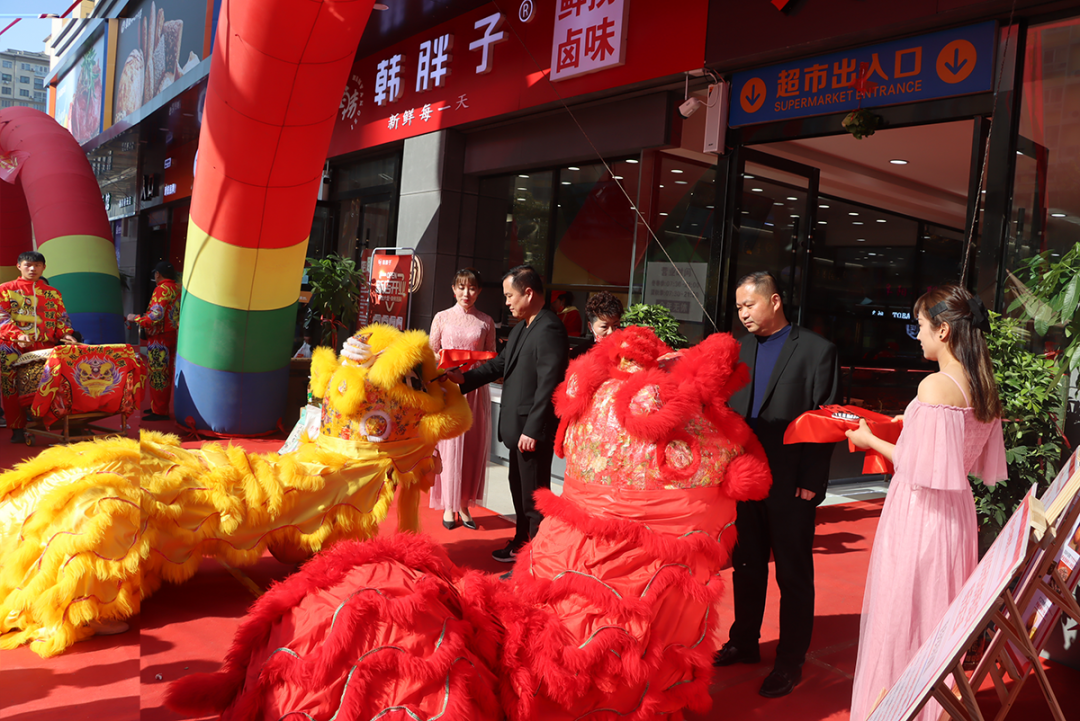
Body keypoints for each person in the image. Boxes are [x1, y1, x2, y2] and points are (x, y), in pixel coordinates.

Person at [846, 285, 1006, 721]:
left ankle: (893, 709)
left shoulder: (936, 384)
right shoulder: (981, 384)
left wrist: (869, 440)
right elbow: (959, 455)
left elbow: (916, 465)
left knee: (901, 616)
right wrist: (912, 423)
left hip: (920, 515)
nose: (916, 335)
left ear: (943, 330)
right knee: (938, 619)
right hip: (956, 515)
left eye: (920, 326)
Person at [713, 271, 840, 698]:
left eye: (748, 305)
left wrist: (812, 481)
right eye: (738, 307)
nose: (742, 314)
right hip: (744, 479)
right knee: (746, 567)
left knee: (793, 574)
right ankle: (744, 641)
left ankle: (789, 661)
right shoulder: (738, 350)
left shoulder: (817, 351)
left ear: (774, 301)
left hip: (791, 483)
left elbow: (827, 418)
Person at [447, 265, 568, 562]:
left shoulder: (549, 328)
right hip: (517, 429)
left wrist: (534, 429)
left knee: (534, 500)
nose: (507, 302)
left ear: (529, 293)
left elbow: (550, 383)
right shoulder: (521, 328)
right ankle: (521, 544)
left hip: (530, 432)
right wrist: (464, 379)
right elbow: (499, 365)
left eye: (509, 295)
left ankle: (536, 559)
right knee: (520, 492)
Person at [429, 268, 496, 530]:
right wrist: (447, 364)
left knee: (471, 446)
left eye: (472, 288)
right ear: (453, 289)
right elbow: (431, 352)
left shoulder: (486, 321)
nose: (466, 293)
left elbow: (491, 355)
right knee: (448, 446)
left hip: (475, 389)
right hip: (449, 388)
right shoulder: (441, 317)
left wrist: (472, 366)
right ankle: (449, 504)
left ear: (479, 291)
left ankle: (465, 503)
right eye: (461, 287)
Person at [0, 251, 78, 443]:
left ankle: (53, 424)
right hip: (12, 347)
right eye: (28, 265)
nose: (32, 269)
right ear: (19, 266)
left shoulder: (53, 293)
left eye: (37, 265)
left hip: (45, 346)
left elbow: (61, 318)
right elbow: (2, 317)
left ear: (44, 268)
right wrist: (17, 335)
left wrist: (66, 334)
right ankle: (17, 428)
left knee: (51, 384)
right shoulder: (6, 289)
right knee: (12, 388)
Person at [127, 260, 180, 421]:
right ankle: (158, 406)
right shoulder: (177, 288)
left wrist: (135, 318)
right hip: (171, 335)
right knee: (165, 374)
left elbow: (155, 316)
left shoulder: (161, 289)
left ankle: (160, 411)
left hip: (159, 339)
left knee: (158, 374)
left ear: (158, 274)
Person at [568, 291, 623, 360]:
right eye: (604, 326)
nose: (611, 331)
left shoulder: (627, 350)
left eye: (615, 325)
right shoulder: (579, 354)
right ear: (590, 327)